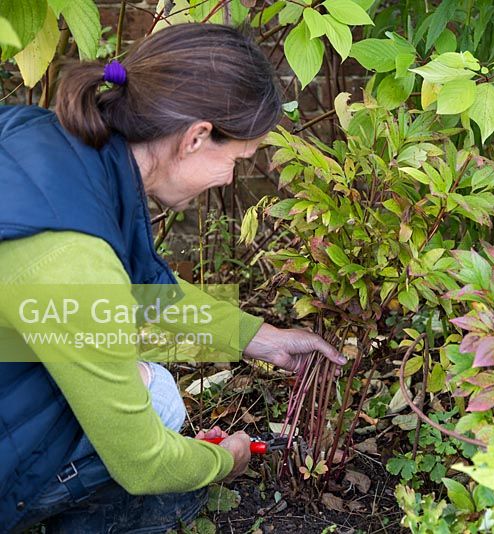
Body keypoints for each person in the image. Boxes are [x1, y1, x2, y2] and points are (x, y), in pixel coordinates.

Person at [0, 23, 344, 532]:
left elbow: (131, 296)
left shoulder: (52, 144)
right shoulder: (73, 258)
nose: (230, 178)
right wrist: (224, 461)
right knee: (159, 406)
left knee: (145, 379)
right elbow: (142, 463)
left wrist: (258, 338)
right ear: (197, 137)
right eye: (236, 160)